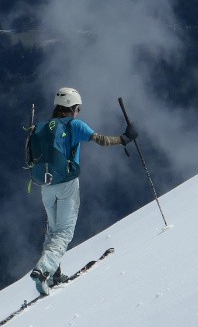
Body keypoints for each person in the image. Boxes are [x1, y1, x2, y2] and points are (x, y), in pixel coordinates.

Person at [27, 86, 136, 295]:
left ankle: (54, 274)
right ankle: (43, 270)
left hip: (46, 186)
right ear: (73, 107)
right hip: (67, 184)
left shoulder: (43, 127)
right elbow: (101, 140)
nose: (79, 112)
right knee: (64, 232)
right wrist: (125, 138)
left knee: (53, 229)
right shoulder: (75, 125)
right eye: (79, 108)